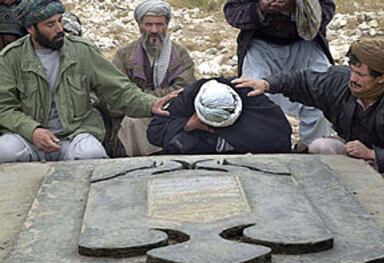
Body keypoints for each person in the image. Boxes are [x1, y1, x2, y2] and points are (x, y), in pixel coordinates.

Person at [232, 38, 384, 203]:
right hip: (353, 151)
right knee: (320, 147)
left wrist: (372, 154)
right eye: (352, 71)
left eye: (360, 74)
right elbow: (301, 81)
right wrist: (267, 84)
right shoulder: (338, 82)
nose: (353, 79)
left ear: (381, 77)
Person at [0, 0, 174, 163]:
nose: (60, 28)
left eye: (60, 21)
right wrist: (32, 131)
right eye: (50, 24)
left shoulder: (82, 51)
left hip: (74, 135)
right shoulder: (11, 58)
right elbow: (4, 108)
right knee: (6, 150)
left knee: (92, 153)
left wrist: (151, 105)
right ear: (31, 29)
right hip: (30, 139)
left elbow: (119, 89)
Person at [224, 0, 335, 152]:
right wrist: (261, 8)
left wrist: (296, 7)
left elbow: (327, 10)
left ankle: (310, 148)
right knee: (253, 92)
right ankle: (268, 150)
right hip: (260, 45)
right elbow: (232, 12)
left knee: (322, 87)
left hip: (306, 42)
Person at [110, 0, 195, 157]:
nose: (154, 30)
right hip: (133, 116)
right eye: (149, 25)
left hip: (171, 115)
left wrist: (140, 95)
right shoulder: (124, 55)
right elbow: (116, 96)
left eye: (159, 24)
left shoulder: (180, 55)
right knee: (133, 122)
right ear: (140, 25)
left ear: (166, 26)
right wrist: (146, 103)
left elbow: (185, 93)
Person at [147, 77, 292, 154]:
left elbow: (280, 135)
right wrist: (187, 125)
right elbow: (155, 132)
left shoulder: (247, 94)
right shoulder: (188, 97)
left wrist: (223, 132)